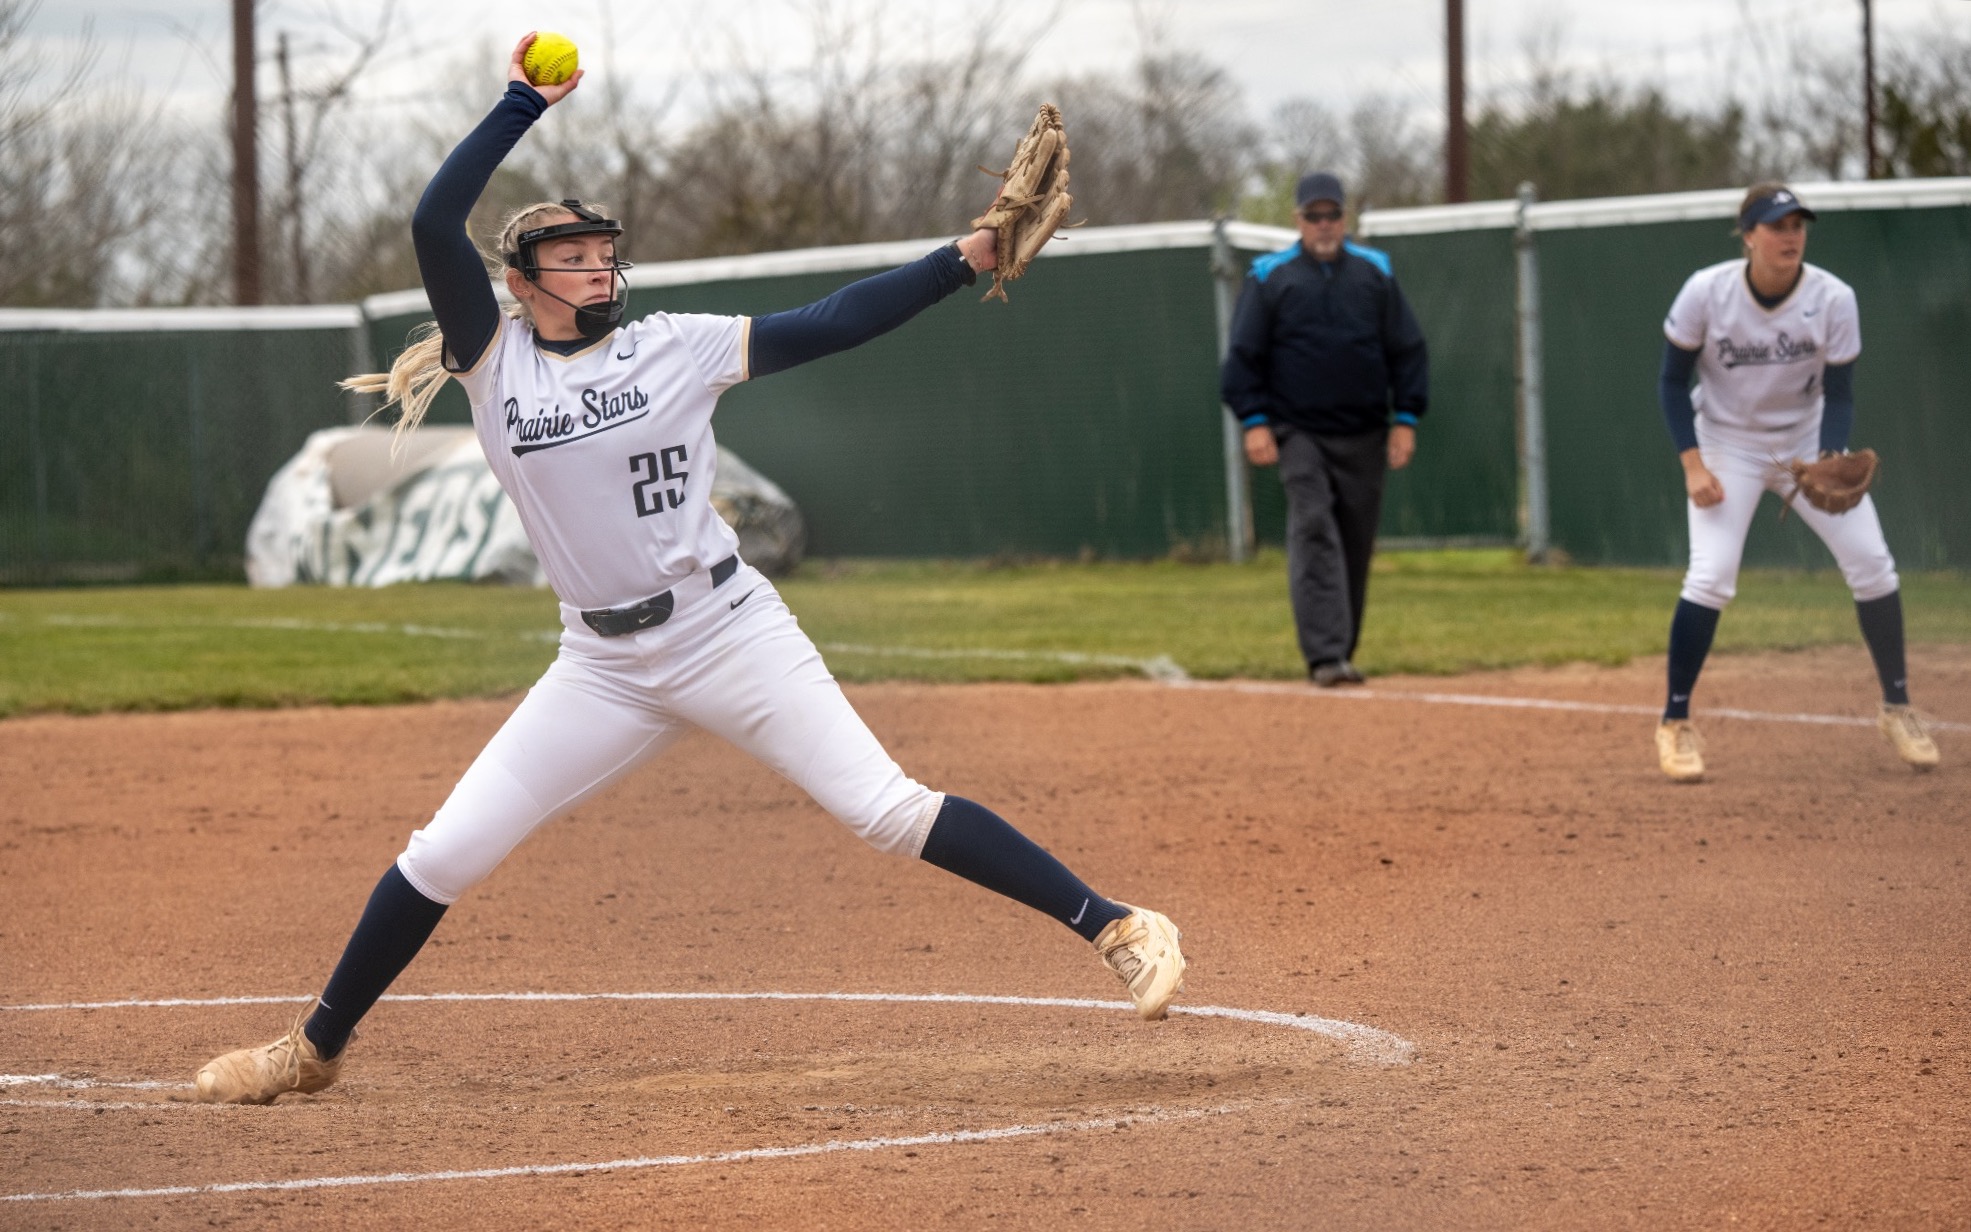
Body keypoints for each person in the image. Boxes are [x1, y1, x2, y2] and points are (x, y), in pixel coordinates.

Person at [192, 36, 1186, 1105]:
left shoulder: (674, 343)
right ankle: (314, 1048)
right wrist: (521, 103)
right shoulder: (494, 361)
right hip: (599, 664)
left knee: (886, 807)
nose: (598, 269)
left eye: (603, 254)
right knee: (446, 850)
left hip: (726, 630)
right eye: (573, 257)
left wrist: (968, 258)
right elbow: (436, 220)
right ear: (523, 282)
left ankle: (1118, 924)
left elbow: (831, 323)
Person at [1653, 182, 1939, 782]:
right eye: (1778, 226)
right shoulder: (1708, 291)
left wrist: (1830, 457)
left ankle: (1898, 707)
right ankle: (1675, 722)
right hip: (1726, 441)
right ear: (1749, 235)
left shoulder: (1833, 298)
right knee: (1711, 575)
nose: (1791, 236)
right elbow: (1671, 383)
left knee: (1873, 564)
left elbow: (1840, 391)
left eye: (1798, 225)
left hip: (1804, 441)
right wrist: (1693, 464)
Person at [1221, 172, 1428, 688]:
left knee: (1355, 541)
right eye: (1313, 216)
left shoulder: (1375, 272)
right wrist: (1254, 421)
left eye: (1332, 214)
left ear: (1345, 218)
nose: (1323, 225)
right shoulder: (1270, 276)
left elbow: (1407, 350)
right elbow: (1244, 357)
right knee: (1314, 527)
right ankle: (1325, 655)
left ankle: (1342, 651)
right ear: (1297, 221)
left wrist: (1405, 419)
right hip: (1298, 432)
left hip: (1365, 432)